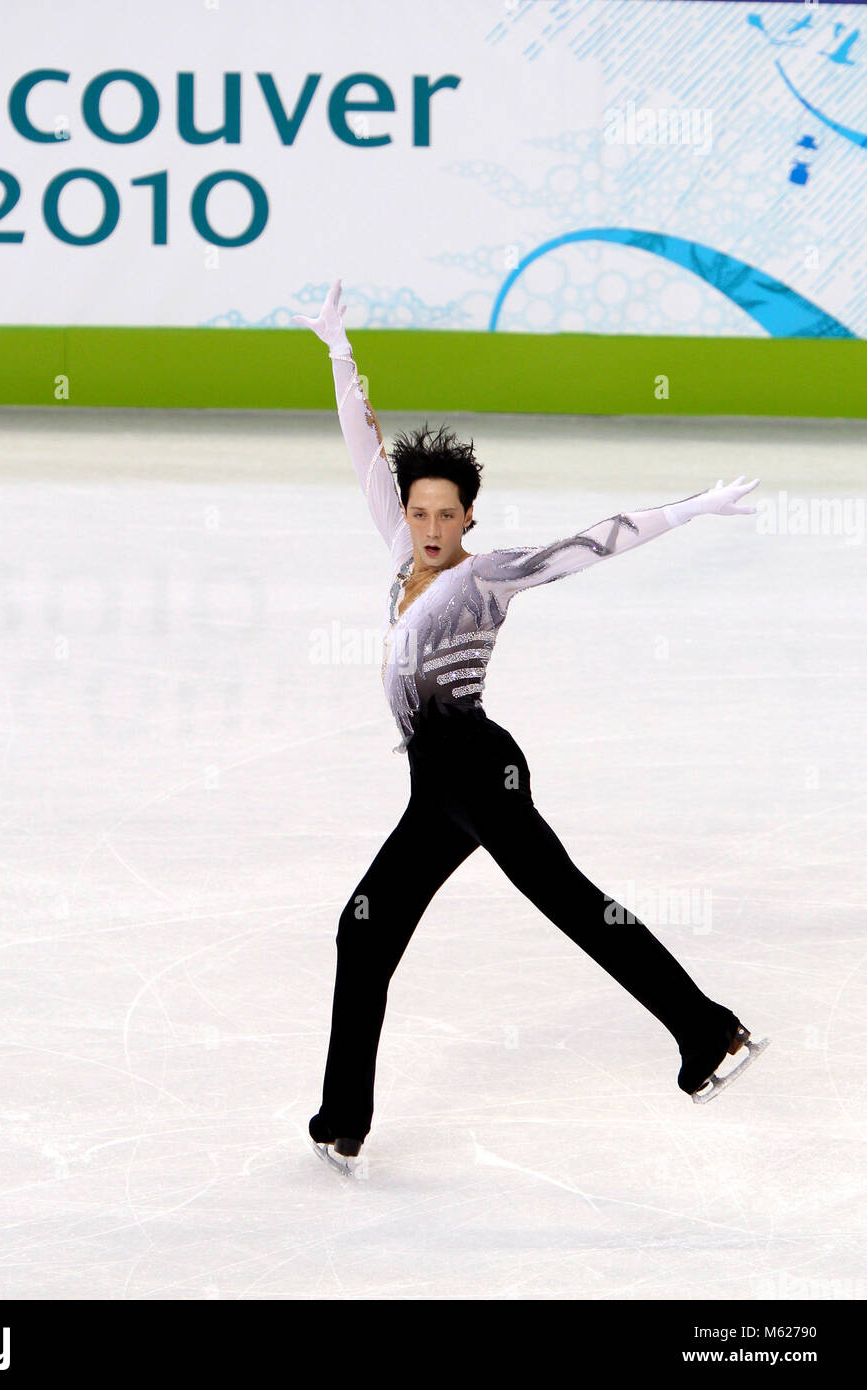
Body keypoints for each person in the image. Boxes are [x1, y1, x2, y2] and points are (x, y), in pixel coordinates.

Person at [293, 279, 767, 1175]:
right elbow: (364, 449)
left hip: (480, 770)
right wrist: (339, 351)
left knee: (574, 905)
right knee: (365, 929)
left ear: (470, 516)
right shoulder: (401, 560)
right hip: (435, 787)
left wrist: (693, 507)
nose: (431, 526)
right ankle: (341, 1120)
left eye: (446, 513)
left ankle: (709, 1032)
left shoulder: (490, 575)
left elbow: (599, 539)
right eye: (418, 510)